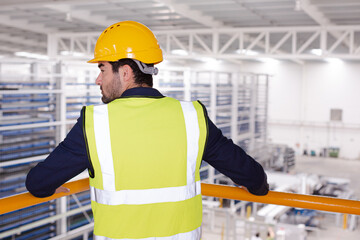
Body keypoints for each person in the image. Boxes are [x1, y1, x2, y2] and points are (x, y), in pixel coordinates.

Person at [26, 21, 269, 240]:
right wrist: (256, 187)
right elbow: (254, 177)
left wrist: (48, 187)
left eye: (102, 69)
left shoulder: (95, 122)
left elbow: (38, 183)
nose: (97, 80)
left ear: (125, 72)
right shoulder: (191, 116)